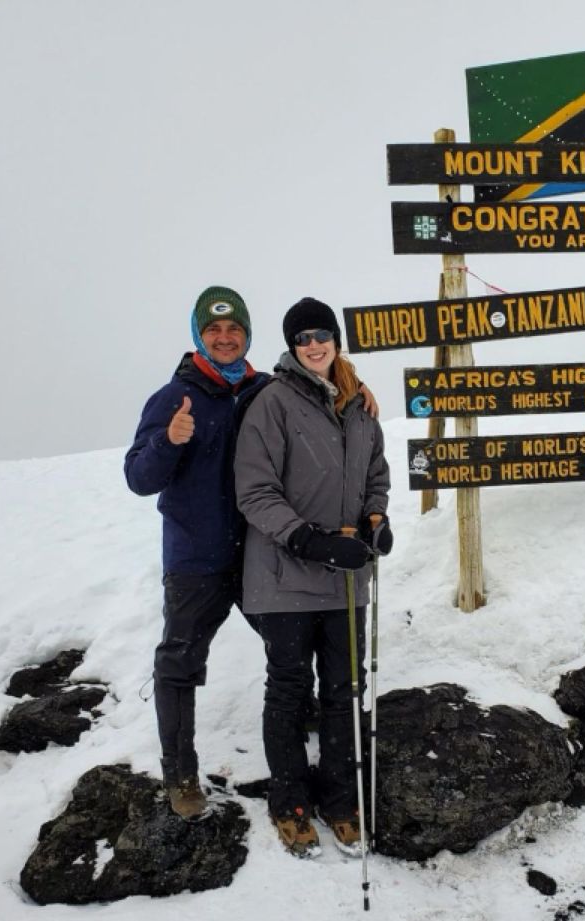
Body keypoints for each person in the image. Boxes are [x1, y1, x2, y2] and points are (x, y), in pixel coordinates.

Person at [124, 286, 379, 821]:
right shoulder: (175, 397)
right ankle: (181, 774)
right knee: (181, 663)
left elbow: (316, 393)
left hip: (258, 554)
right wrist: (169, 440)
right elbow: (138, 478)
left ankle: (303, 731)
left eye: (233, 329)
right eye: (213, 330)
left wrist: (358, 393)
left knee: (290, 655)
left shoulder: (261, 388)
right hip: (196, 561)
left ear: (246, 336)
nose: (224, 338)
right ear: (199, 335)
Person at [235, 296, 392, 859]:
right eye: (303, 338)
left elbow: (376, 472)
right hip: (284, 578)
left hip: (347, 578)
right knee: (290, 688)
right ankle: (290, 801)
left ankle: (339, 799)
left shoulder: (357, 402)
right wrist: (308, 540)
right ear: (292, 347)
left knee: (345, 692)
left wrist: (377, 520)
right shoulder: (273, 402)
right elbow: (254, 491)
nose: (314, 345)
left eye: (322, 334)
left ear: (336, 340)